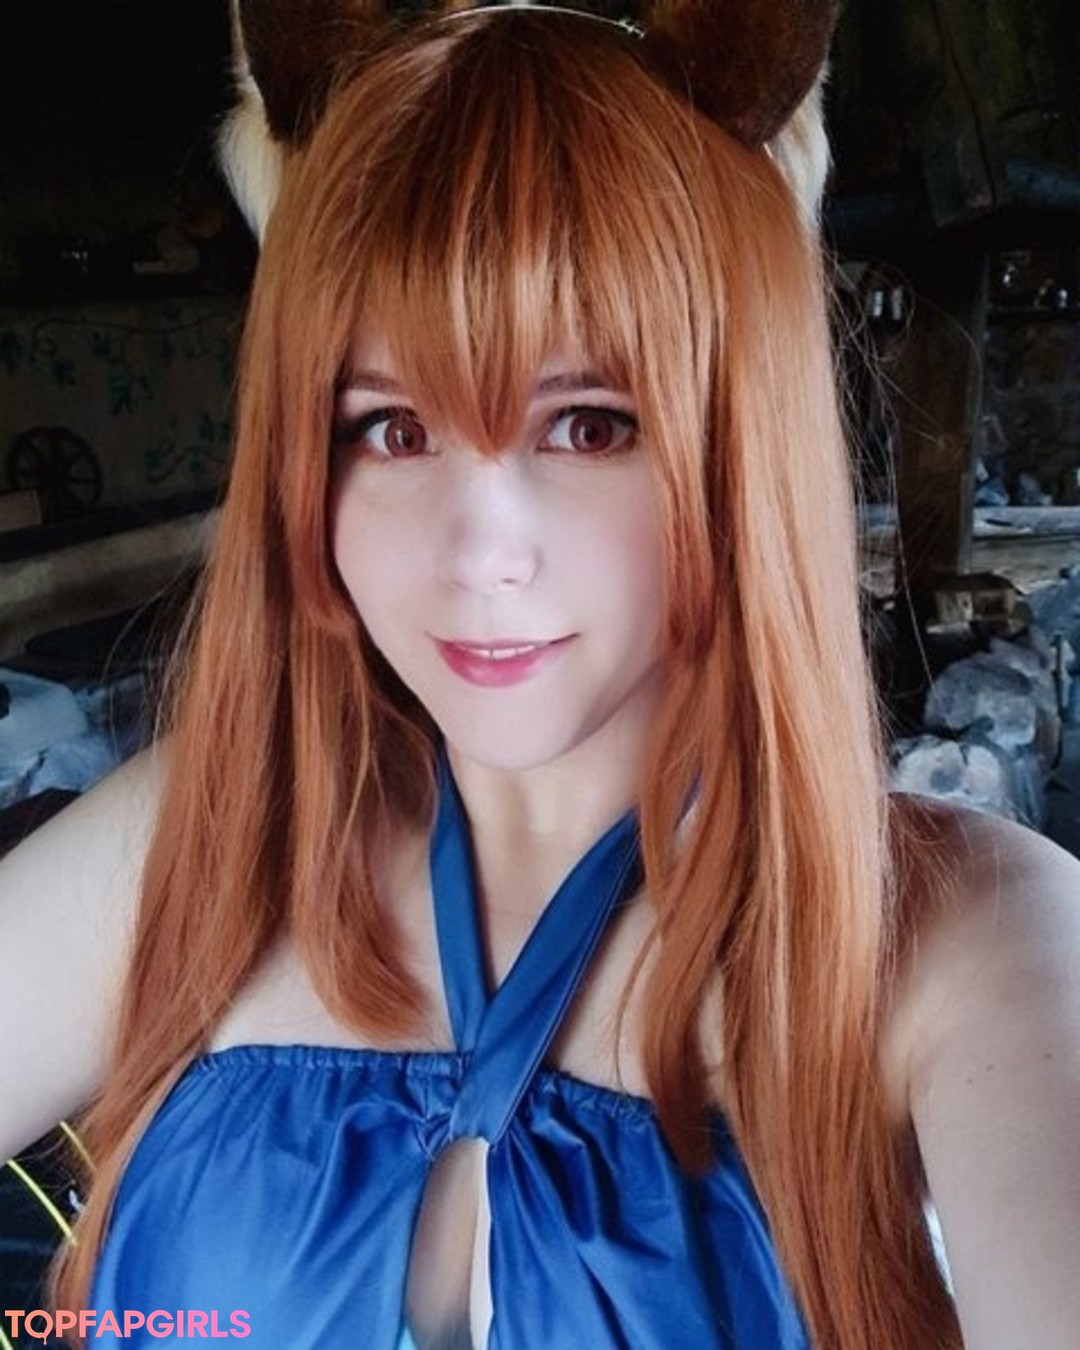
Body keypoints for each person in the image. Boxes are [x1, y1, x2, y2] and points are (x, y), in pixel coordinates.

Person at [2, 3, 1078, 1347]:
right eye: (392, 429)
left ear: (738, 441)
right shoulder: (200, 843)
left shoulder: (961, 941)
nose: (479, 554)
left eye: (589, 424)